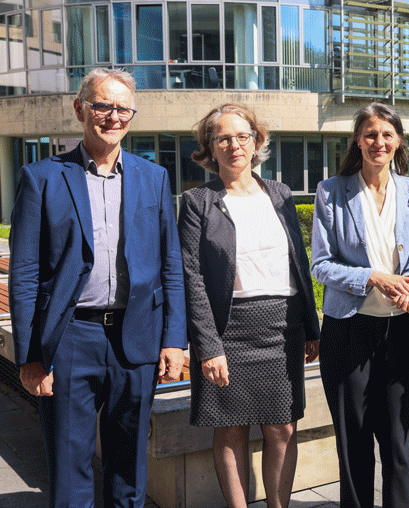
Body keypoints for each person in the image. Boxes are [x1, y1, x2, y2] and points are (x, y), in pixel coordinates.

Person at [8, 68, 187, 507]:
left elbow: (171, 266)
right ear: (80, 109)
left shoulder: (154, 178)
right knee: (71, 470)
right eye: (102, 105)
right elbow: (26, 274)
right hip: (70, 339)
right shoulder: (42, 178)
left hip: (137, 338)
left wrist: (174, 340)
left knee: (130, 468)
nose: (112, 116)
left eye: (122, 108)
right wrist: (32, 356)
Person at [177, 103, 320, 508]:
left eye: (242, 136)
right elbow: (193, 277)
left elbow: (298, 264)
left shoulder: (281, 194)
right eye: (223, 138)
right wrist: (209, 345)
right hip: (228, 329)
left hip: (281, 326)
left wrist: (312, 328)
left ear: (257, 141)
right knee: (230, 428)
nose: (234, 145)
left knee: (283, 430)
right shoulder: (197, 201)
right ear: (210, 147)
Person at [311, 102, 409, 508]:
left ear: (398, 141)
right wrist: (374, 277)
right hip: (348, 330)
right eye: (371, 134)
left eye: (387, 135)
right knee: (355, 441)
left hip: (401, 329)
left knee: (399, 441)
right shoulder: (331, 191)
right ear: (358, 141)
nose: (379, 142)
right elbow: (321, 265)